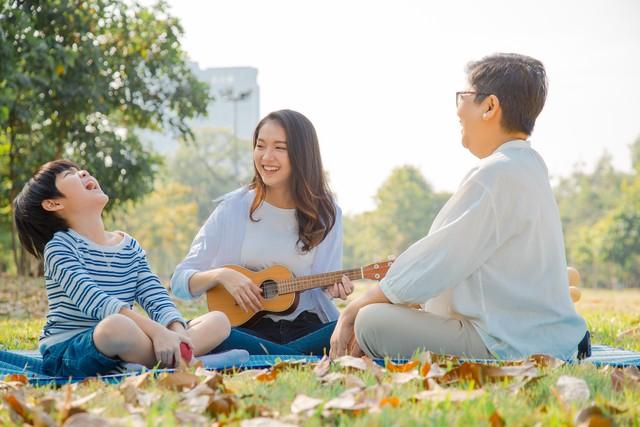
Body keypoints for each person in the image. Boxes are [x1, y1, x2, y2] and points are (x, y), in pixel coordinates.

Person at [330, 53, 589, 361]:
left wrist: (356, 308)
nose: (458, 109)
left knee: (370, 321)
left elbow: (440, 259)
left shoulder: (495, 174)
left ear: (489, 106)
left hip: (506, 345)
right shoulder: (529, 166)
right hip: (542, 339)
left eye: (464, 96)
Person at [13, 160, 230, 377]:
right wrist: (156, 332)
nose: (84, 172)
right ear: (53, 204)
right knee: (116, 326)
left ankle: (169, 354)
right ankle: (182, 358)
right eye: (70, 174)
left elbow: (155, 296)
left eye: (80, 170)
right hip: (71, 349)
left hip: (131, 340)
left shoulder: (129, 245)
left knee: (218, 320)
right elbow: (96, 301)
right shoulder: (59, 248)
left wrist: (176, 331)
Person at [171, 109, 353, 355]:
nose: (267, 157)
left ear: (302, 154)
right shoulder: (233, 209)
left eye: (280, 148)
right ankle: (292, 356)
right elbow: (180, 281)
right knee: (216, 331)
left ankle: (268, 356)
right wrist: (221, 275)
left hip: (307, 328)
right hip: (247, 330)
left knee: (360, 323)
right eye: (260, 146)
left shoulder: (327, 213)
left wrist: (333, 289)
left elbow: (325, 283)